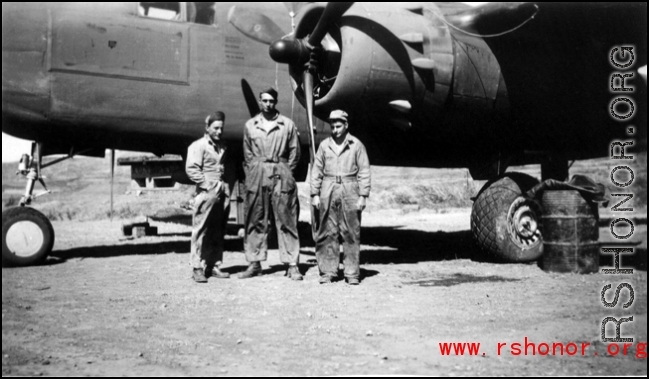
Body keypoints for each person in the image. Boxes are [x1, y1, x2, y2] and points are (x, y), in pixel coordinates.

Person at [240, 88, 303, 280]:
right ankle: (254, 262)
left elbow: (295, 152)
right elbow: (248, 153)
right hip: (258, 171)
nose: (268, 104)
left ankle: (292, 264)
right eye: (264, 101)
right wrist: (254, 170)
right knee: (255, 217)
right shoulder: (251, 125)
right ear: (260, 102)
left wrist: (285, 170)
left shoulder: (287, 125)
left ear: (276, 102)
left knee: (286, 218)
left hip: (280, 170)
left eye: (271, 101)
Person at [311, 110, 371, 285]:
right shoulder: (324, 146)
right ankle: (328, 271)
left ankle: (351, 273)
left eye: (338, 126)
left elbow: (364, 171)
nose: (335, 130)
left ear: (346, 125)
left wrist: (363, 195)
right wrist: (315, 194)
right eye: (333, 126)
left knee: (351, 231)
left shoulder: (356, 145)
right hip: (328, 188)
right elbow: (316, 171)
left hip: (350, 188)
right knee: (327, 231)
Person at [186, 111, 233, 283]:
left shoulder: (222, 146)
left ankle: (213, 264)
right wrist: (206, 186)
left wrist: (222, 187)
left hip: (221, 191)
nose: (219, 132)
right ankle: (197, 267)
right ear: (207, 128)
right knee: (200, 230)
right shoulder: (198, 146)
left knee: (217, 229)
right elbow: (191, 169)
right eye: (215, 128)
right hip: (207, 192)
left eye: (221, 128)